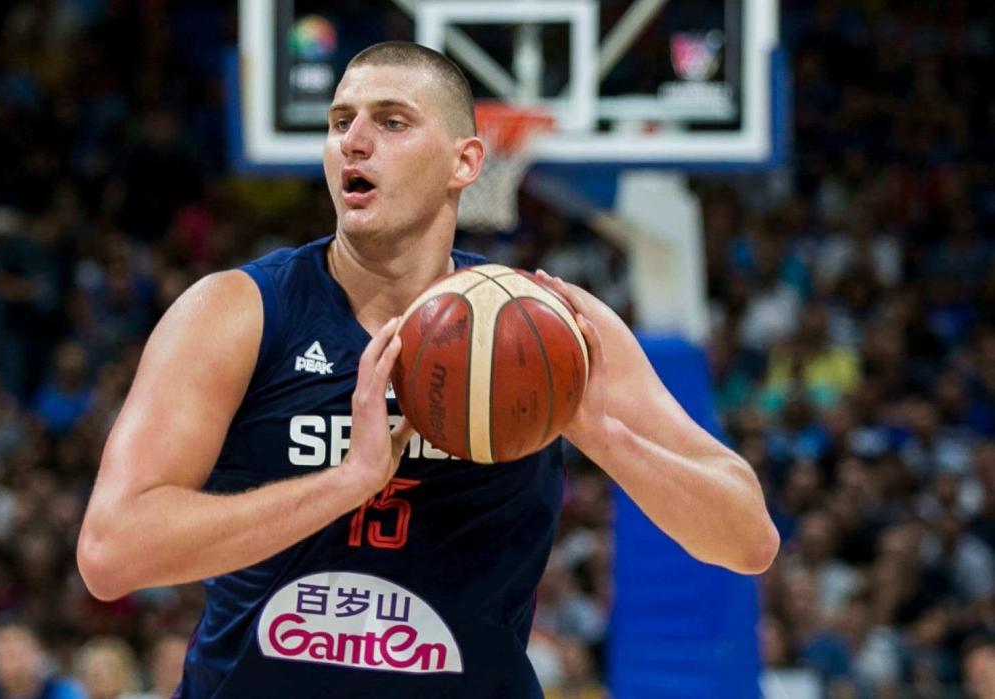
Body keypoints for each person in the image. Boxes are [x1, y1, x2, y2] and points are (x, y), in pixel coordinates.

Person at [77, 41, 779, 697]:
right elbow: (111, 552)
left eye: (391, 121)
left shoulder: (551, 328)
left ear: (466, 162)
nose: (353, 141)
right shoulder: (236, 313)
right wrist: (346, 482)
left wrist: (598, 429)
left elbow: (747, 538)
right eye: (340, 120)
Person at [0, 626, 82, 699]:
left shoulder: (63, 690)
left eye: (16, 654)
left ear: (37, 655)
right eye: (3, 655)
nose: (11, 663)